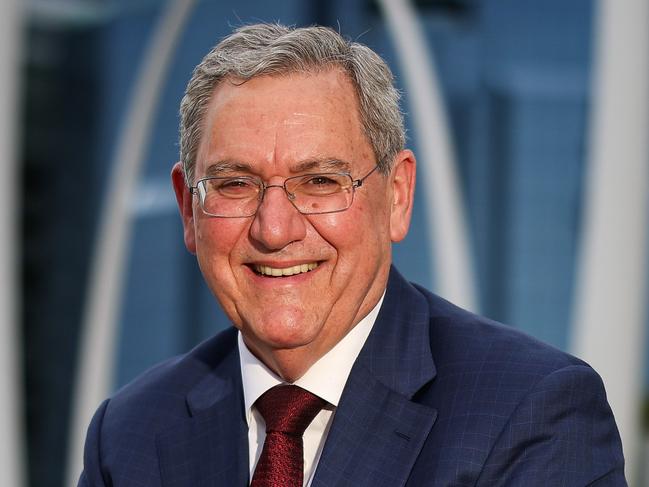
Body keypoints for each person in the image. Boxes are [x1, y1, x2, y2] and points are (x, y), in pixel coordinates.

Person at [78, 23, 626, 486]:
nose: (274, 230)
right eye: (235, 185)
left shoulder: (533, 412)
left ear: (397, 196)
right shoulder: (128, 434)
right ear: (187, 209)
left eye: (319, 181)